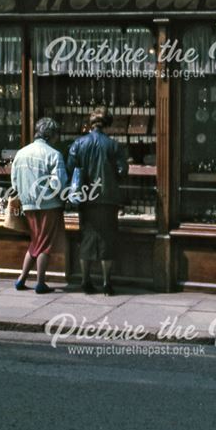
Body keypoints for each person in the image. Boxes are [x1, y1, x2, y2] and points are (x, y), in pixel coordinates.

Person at [68, 107, 128, 296]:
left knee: (86, 240)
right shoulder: (113, 145)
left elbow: (71, 169)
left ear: (90, 123)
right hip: (108, 199)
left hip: (86, 198)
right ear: (107, 123)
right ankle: (106, 283)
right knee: (107, 241)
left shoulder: (78, 144)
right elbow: (122, 170)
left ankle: (85, 281)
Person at [11, 117, 67, 294]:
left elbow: (14, 182)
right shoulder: (53, 154)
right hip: (48, 204)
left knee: (36, 241)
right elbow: (58, 183)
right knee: (44, 244)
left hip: (28, 204)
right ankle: (40, 282)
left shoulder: (21, 153)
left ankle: (22, 278)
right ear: (52, 135)